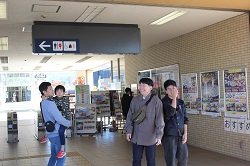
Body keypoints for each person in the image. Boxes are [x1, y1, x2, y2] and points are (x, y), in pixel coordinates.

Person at [125, 78, 165, 166]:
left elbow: (159, 119)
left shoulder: (156, 101)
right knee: (136, 159)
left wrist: (159, 135)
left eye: (144, 85)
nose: (141, 87)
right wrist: (128, 130)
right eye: (140, 85)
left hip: (150, 137)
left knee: (151, 160)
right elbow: (130, 116)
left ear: (151, 87)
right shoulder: (135, 100)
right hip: (136, 136)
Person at [39, 82, 71, 166]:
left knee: (53, 156)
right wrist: (69, 123)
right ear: (44, 92)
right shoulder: (50, 103)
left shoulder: (43, 103)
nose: (52, 90)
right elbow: (59, 118)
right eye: (50, 89)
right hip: (56, 134)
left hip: (50, 133)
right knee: (61, 158)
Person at [161, 79, 189, 166]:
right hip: (169, 134)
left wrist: (185, 133)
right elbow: (170, 112)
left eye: (173, 88)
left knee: (183, 156)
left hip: (180, 133)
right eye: (169, 89)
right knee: (170, 159)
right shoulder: (163, 102)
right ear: (166, 91)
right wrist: (174, 98)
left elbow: (185, 118)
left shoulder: (181, 102)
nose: (172, 90)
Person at [52, 85, 71, 158]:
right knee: (52, 130)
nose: (59, 93)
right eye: (57, 91)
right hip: (57, 120)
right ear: (55, 92)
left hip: (64, 120)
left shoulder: (65, 99)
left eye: (61, 91)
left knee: (61, 131)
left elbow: (62, 107)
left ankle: (62, 150)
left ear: (64, 92)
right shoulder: (53, 99)